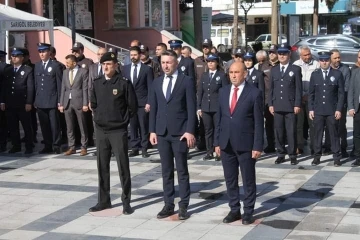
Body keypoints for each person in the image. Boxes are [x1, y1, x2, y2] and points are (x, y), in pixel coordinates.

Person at [214, 62, 264, 225]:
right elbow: (219, 119)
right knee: (230, 179)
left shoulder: (254, 93)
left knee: (248, 179)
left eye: (237, 72)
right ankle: (234, 209)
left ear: (245, 74)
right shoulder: (223, 92)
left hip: (246, 144)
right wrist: (217, 141)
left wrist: (257, 145)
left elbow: (258, 122)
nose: (233, 75)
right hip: (226, 142)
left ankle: (248, 211)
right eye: (231, 72)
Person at [149, 50, 196, 220]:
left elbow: (191, 108)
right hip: (162, 133)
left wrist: (190, 130)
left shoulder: (186, 81)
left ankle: (183, 205)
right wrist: (152, 130)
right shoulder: (156, 82)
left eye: (169, 62)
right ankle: (168, 204)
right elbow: (154, 108)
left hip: (180, 133)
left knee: (182, 170)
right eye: (163, 62)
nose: (166, 65)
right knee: (166, 170)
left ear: (176, 63)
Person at [89, 52, 137, 214]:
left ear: (116, 65)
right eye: (104, 64)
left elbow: (132, 107)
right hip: (101, 130)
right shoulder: (97, 83)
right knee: (102, 167)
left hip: (118, 130)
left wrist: (123, 122)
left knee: (123, 166)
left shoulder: (123, 83)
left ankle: (126, 201)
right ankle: (103, 201)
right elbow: (93, 105)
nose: (106, 67)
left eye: (109, 64)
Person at [308, 51, 344, 166]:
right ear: (319, 61)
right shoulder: (315, 75)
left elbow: (341, 94)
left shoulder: (337, 74)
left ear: (330, 61)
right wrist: (311, 109)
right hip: (318, 110)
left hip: (331, 110)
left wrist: (339, 109)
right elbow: (311, 94)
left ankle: (336, 157)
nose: (324, 62)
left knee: (334, 134)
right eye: (322, 60)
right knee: (317, 134)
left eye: (326, 60)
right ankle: (317, 156)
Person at [269, 44, 302, 165]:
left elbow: (298, 88)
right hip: (277, 105)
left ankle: (292, 154)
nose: (282, 56)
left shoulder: (295, 69)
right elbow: (271, 89)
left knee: (291, 131)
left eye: (284, 53)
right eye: (280, 54)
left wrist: (297, 104)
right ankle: (281, 154)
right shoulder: (274, 69)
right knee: (278, 132)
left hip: (290, 105)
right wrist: (270, 104)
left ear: (289, 55)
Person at [1, 48, 34, 154]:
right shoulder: (8, 70)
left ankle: (29, 146)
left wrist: (29, 102)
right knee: (13, 126)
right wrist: (2, 101)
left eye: (16, 56)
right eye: (12, 56)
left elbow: (30, 87)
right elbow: (4, 87)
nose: (13, 58)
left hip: (22, 103)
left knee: (26, 126)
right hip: (10, 103)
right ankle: (16, 146)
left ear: (22, 58)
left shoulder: (27, 69)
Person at [123, 46, 154, 158]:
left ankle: (144, 148)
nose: (133, 57)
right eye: (131, 55)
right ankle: (134, 147)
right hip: (130, 102)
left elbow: (151, 87)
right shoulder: (125, 69)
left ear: (140, 55)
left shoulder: (147, 69)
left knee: (143, 126)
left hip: (143, 102)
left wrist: (149, 102)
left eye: (135, 55)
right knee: (133, 126)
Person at [197, 54, 228, 161]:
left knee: (218, 129)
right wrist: (199, 107)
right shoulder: (204, 75)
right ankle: (209, 151)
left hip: (217, 107)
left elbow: (225, 92)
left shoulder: (222, 75)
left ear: (217, 63)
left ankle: (218, 151)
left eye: (212, 61)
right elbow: (200, 92)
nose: (210, 63)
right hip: (206, 107)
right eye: (209, 61)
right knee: (208, 130)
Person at [34, 43, 63, 154]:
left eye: (44, 51)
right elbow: (36, 84)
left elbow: (59, 84)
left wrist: (60, 100)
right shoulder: (37, 66)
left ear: (49, 52)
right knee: (44, 125)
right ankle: (47, 145)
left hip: (52, 100)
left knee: (54, 125)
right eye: (40, 52)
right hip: (41, 100)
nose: (42, 54)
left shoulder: (55, 65)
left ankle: (56, 145)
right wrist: (35, 100)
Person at [59, 54, 89, 156]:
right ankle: (71, 147)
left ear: (74, 63)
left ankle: (84, 146)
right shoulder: (65, 72)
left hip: (79, 101)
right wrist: (61, 103)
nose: (66, 64)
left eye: (68, 62)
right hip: (67, 102)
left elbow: (85, 88)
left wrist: (85, 103)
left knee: (82, 125)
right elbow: (63, 88)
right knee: (69, 126)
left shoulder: (83, 72)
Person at [293, 45, 319, 155]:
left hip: (311, 99)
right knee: (299, 124)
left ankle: (314, 146)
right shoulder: (295, 65)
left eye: (309, 54)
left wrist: (308, 95)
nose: (308, 56)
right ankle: (299, 146)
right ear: (300, 56)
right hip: (299, 99)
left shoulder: (316, 64)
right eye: (305, 55)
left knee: (313, 124)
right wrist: (301, 96)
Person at [325, 49, 350, 158]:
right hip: (328, 104)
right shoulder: (326, 69)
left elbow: (346, 87)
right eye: (335, 58)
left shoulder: (345, 69)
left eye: (339, 57)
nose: (338, 60)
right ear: (330, 59)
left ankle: (343, 148)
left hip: (340, 103)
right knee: (329, 126)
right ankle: (328, 146)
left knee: (341, 126)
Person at [71, 42, 95, 147]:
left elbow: (91, 79)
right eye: (73, 51)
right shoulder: (72, 63)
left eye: (77, 51)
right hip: (75, 95)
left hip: (85, 94)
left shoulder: (88, 63)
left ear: (82, 50)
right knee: (75, 120)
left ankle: (89, 139)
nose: (75, 53)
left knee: (87, 120)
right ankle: (77, 140)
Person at [255, 48, 277, 153]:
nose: (272, 54)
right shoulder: (263, 66)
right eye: (270, 52)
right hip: (267, 98)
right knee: (268, 124)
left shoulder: (281, 65)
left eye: (274, 52)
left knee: (281, 124)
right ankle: (271, 144)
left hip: (280, 98)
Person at [348, 55, 360, 167]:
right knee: (357, 134)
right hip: (358, 108)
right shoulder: (355, 72)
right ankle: (358, 157)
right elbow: (351, 90)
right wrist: (351, 107)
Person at [0, 50, 9, 152]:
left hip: (2, 100)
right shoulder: (6, 67)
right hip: (2, 100)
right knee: (2, 124)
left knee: (2, 124)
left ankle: (2, 144)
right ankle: (2, 144)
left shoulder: (4, 67)